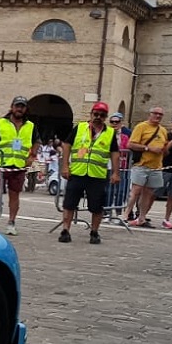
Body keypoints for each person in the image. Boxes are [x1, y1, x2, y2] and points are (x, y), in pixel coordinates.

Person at [57, 103, 120, 244]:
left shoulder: (110, 133)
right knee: (69, 204)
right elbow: (67, 145)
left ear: (105, 117)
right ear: (91, 114)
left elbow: (115, 154)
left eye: (102, 115)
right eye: (96, 114)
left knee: (97, 206)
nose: (98, 117)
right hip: (77, 172)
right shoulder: (79, 128)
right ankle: (65, 230)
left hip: (97, 175)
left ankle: (94, 232)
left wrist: (116, 173)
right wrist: (65, 166)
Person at [0, 95, 39, 235]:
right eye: (17, 106)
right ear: (12, 107)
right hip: (0, 164)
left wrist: (32, 156)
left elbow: (37, 141)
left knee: (14, 195)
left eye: (22, 106)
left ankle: (11, 223)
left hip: (19, 166)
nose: (19, 109)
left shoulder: (30, 126)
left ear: (26, 109)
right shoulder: (1, 123)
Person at [124, 107, 169, 227]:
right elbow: (130, 144)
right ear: (150, 114)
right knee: (136, 191)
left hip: (156, 167)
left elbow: (165, 146)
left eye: (160, 114)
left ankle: (141, 218)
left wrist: (164, 150)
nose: (158, 116)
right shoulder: (141, 127)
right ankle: (125, 215)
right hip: (141, 165)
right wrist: (148, 148)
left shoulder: (163, 130)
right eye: (156, 113)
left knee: (148, 193)